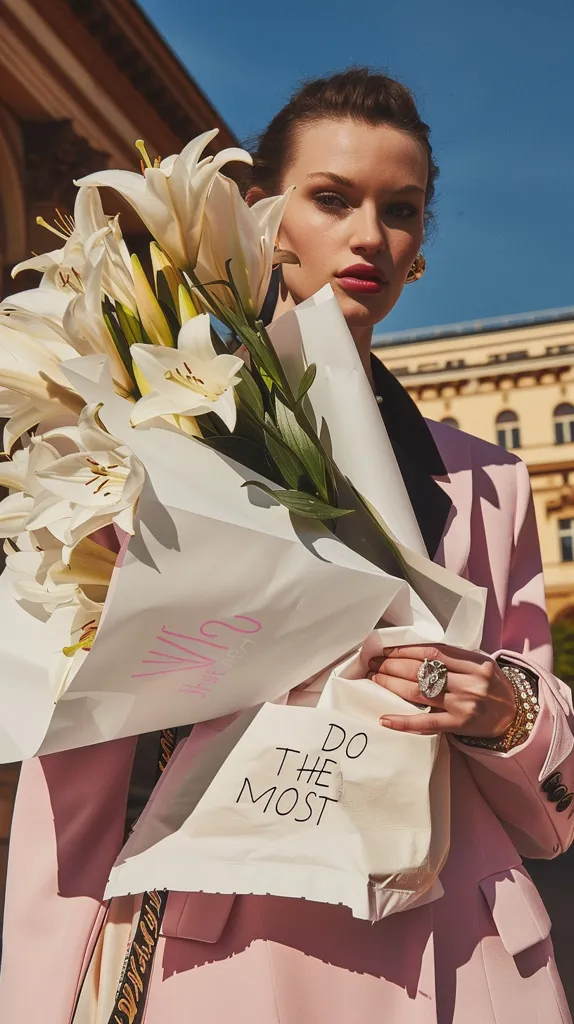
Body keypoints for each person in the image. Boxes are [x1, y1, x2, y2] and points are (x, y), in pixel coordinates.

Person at [1, 66, 573, 1024]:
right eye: (332, 198)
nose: (369, 237)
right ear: (263, 216)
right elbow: (78, 758)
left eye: (402, 210)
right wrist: (41, 991)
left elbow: (555, 783)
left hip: (462, 959)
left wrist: (505, 704)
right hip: (234, 952)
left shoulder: (489, 480)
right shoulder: (141, 439)